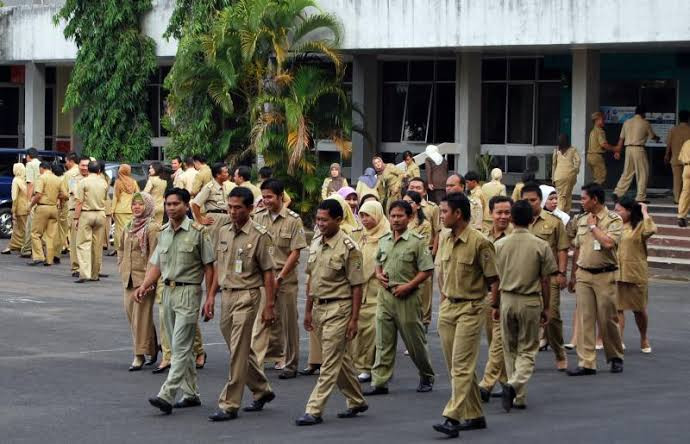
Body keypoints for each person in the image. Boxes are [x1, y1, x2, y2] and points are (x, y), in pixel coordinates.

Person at [135, 188, 215, 415]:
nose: (171, 208)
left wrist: (210, 297)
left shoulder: (199, 232)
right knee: (179, 346)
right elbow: (157, 265)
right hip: (166, 293)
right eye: (168, 204)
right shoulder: (164, 232)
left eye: (176, 204)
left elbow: (210, 267)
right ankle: (191, 394)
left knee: (180, 346)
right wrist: (144, 285)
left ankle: (167, 394)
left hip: (188, 292)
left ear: (187, 206)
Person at [203, 187, 277, 421]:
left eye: (238, 208)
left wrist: (269, 306)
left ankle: (229, 403)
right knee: (240, 348)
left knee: (237, 350)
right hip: (227, 295)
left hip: (248, 295)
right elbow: (219, 267)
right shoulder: (223, 231)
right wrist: (210, 296)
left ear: (250, 209)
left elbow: (268, 273)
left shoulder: (259, 235)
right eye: (230, 207)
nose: (233, 211)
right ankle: (262, 389)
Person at [295, 199, 368, 426]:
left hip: (340, 307)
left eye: (324, 220)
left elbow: (357, 285)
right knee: (340, 358)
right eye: (318, 219)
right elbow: (311, 279)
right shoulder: (316, 242)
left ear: (338, 220)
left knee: (329, 360)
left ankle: (314, 408)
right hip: (319, 307)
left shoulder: (349, 248)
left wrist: (354, 319)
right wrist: (308, 310)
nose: (320, 224)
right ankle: (356, 400)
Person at [433, 192, 498, 438]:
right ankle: (475, 414)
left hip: (471, 308)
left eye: (444, 212)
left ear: (458, 214)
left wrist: (494, 308)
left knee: (461, 365)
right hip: (449, 306)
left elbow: (494, 280)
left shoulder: (480, 242)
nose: (441, 217)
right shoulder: (446, 238)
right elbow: (442, 274)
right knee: (456, 367)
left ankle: (452, 416)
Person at [364, 199, 435, 395]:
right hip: (385, 297)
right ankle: (379, 382)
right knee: (383, 341)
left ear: (409, 217)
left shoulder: (416, 241)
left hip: (408, 298)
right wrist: (378, 274)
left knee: (415, 342)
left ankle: (426, 374)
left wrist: (409, 286)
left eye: (400, 216)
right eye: (393, 216)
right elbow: (379, 261)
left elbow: (427, 269)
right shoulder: (385, 239)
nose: (395, 220)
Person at [494, 200, 558, 411]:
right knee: (528, 349)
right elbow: (547, 280)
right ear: (532, 220)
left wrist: (494, 304)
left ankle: (517, 395)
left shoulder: (500, 245)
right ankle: (515, 386)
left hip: (507, 299)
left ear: (511, 218)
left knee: (510, 348)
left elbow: (494, 279)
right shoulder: (541, 245)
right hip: (530, 300)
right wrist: (547, 307)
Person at [567, 183, 625, 376]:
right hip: (584, 273)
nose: (581, 201)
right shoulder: (580, 219)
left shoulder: (613, 220)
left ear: (595, 199)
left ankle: (615, 356)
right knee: (585, 318)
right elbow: (571, 239)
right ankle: (586, 362)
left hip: (605, 274)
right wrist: (572, 273)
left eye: (584, 198)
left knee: (608, 318)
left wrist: (593, 227)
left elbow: (608, 243)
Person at [253, 179, 307, 379]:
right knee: (261, 319)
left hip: (285, 278)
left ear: (280, 196)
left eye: (269, 197)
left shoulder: (293, 220)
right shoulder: (258, 218)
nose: (265, 201)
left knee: (288, 322)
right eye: (263, 196)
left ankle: (291, 364)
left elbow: (295, 252)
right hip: (263, 278)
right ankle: (256, 361)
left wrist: (281, 276)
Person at [521, 182, 570, 370]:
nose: (529, 204)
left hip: (550, 277)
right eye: (525, 200)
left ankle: (559, 352)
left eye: (533, 200)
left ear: (540, 201)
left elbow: (563, 249)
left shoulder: (553, 222)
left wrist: (562, 273)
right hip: (526, 278)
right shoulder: (517, 222)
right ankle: (528, 356)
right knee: (529, 318)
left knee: (553, 316)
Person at [118, 192, 160, 371]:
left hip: (144, 279)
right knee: (132, 316)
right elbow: (120, 248)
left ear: (148, 207)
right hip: (128, 278)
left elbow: (154, 256)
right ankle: (151, 348)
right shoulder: (129, 225)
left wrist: (149, 281)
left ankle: (139, 355)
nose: (136, 207)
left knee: (140, 319)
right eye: (134, 204)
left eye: (140, 204)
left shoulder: (152, 228)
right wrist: (121, 265)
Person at [478, 195, 513, 403]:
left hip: (507, 295)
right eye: (499, 212)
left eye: (507, 212)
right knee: (494, 341)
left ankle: (487, 384)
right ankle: (508, 384)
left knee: (500, 342)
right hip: (487, 295)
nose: (503, 216)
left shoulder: (515, 236)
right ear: (491, 214)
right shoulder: (483, 237)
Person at [353, 200, 390, 383]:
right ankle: (363, 365)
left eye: (368, 215)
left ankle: (373, 367)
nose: (365, 219)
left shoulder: (387, 237)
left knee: (375, 331)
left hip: (378, 291)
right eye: (362, 215)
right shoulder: (362, 236)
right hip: (361, 291)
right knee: (360, 329)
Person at [615, 197, 656, 353]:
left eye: (619, 210)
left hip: (635, 273)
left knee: (639, 309)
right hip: (618, 272)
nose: (616, 212)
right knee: (617, 308)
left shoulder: (639, 226)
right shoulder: (615, 226)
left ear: (629, 211)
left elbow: (651, 230)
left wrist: (644, 211)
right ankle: (619, 339)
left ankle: (644, 337)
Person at [613, 105, 660, 203]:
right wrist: (657, 138)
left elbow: (621, 139)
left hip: (628, 150)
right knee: (643, 173)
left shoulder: (627, 122)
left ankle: (617, 193)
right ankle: (640, 197)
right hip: (639, 150)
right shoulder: (645, 123)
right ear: (643, 113)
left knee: (627, 172)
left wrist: (617, 151)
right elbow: (652, 136)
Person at [74, 161, 109, 283]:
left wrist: (76, 218)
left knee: (83, 244)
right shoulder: (104, 182)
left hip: (86, 214)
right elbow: (104, 198)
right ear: (99, 171)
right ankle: (95, 273)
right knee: (97, 245)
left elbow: (79, 202)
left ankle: (84, 273)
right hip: (100, 214)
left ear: (87, 170)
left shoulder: (83, 182)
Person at [27, 162, 64, 266]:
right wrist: (56, 197)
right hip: (54, 208)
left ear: (42, 168)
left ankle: (39, 257)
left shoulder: (41, 178)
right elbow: (65, 194)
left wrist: (30, 205)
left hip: (43, 207)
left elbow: (38, 194)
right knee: (50, 236)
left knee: (35, 233)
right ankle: (49, 259)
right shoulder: (57, 179)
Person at [191, 162, 231, 248]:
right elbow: (195, 204)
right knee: (214, 245)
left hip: (225, 217)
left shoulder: (224, 186)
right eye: (225, 172)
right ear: (218, 175)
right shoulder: (209, 187)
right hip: (215, 219)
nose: (228, 174)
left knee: (224, 245)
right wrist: (200, 219)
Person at [65, 156, 89, 276]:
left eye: (87, 165)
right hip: (75, 211)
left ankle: (90, 268)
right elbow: (77, 194)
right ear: (78, 165)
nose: (84, 168)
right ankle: (76, 268)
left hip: (89, 212)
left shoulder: (94, 178)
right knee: (75, 241)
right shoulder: (73, 178)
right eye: (82, 165)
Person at [112, 164, 140, 253]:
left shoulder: (118, 182)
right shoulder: (133, 182)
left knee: (119, 231)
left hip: (119, 210)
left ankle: (119, 248)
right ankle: (129, 247)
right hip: (131, 210)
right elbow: (138, 195)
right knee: (130, 229)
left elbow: (115, 197)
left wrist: (112, 210)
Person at [2, 163, 28, 255]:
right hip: (27, 206)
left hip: (20, 208)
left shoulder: (16, 180)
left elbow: (15, 197)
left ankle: (26, 247)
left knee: (22, 228)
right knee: (18, 228)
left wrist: (13, 210)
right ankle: (12, 246)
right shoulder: (26, 180)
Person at [551, 133, 581, 213]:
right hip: (570, 175)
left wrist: (553, 178)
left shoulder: (556, 150)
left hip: (558, 176)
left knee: (561, 196)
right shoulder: (573, 150)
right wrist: (575, 170)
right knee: (568, 196)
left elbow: (554, 164)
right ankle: (565, 215)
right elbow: (578, 160)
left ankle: (559, 217)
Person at [20, 148, 42, 258]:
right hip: (43, 198)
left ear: (28, 156)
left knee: (30, 225)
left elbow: (30, 184)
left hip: (34, 198)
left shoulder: (29, 165)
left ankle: (27, 249)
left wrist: (29, 201)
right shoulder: (41, 165)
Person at [666, 110, 690, 204]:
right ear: (688, 119)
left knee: (677, 180)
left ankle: (677, 199)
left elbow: (668, 144)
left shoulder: (673, 130)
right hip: (688, 160)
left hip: (675, 159)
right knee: (687, 181)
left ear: (679, 118)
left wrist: (666, 155)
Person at [588, 112, 615, 185]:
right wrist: (615, 149)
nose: (604, 121)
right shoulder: (600, 131)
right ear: (596, 120)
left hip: (590, 156)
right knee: (601, 178)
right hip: (597, 156)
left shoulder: (593, 131)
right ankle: (593, 194)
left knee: (597, 177)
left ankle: (593, 194)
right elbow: (604, 145)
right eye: (602, 119)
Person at [678, 139, 690, 227]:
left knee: (685, 193)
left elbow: (680, 158)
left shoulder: (686, 142)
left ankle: (681, 216)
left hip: (687, 168)